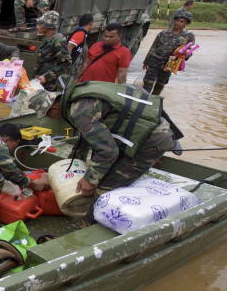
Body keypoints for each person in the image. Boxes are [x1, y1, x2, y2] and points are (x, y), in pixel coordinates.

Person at [28, 83, 175, 198]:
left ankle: (94, 226)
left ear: (54, 107)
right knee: (102, 173)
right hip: (147, 132)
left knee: (104, 189)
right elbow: (84, 141)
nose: (51, 118)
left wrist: (90, 180)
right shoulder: (76, 99)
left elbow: (108, 151)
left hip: (151, 141)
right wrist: (63, 172)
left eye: (48, 115)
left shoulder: (79, 113)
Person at [142, 11, 195, 95]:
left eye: (182, 22)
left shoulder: (189, 36)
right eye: (177, 20)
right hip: (155, 60)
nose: (178, 23)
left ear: (186, 23)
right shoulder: (163, 33)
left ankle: (153, 102)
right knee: (147, 83)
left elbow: (190, 50)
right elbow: (153, 47)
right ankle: (142, 102)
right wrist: (146, 61)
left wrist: (186, 55)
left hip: (170, 63)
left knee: (160, 85)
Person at [33, 11, 71, 91]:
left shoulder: (58, 40)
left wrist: (46, 77)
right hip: (38, 81)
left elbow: (65, 63)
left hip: (48, 85)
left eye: (40, 24)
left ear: (47, 26)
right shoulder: (46, 37)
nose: (37, 26)